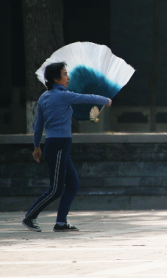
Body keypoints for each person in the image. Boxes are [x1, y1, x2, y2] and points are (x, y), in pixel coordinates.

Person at [22, 62, 112, 233]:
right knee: (56, 189)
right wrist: (106, 101)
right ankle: (30, 217)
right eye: (65, 74)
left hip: (56, 144)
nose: (68, 77)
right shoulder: (64, 96)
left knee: (73, 184)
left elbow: (38, 126)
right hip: (59, 144)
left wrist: (36, 147)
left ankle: (61, 223)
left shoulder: (44, 97)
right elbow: (88, 98)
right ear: (56, 78)